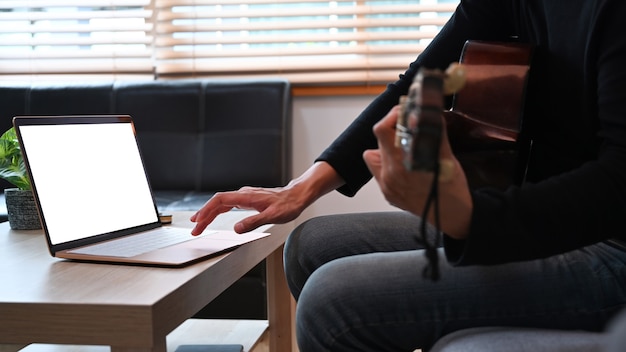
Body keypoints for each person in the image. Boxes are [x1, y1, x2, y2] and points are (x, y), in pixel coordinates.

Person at [190, 0, 626, 350]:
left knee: (332, 302)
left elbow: (617, 182)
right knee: (309, 245)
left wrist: (469, 218)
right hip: (527, 219)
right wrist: (302, 187)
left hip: (610, 248)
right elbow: (420, 83)